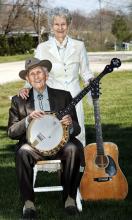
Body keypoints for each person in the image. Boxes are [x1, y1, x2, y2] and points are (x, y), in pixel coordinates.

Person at [8, 57, 85, 219]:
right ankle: (28, 202)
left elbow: (76, 129)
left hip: (60, 145)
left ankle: (69, 198)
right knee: (22, 151)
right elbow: (12, 132)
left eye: (39, 72)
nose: (36, 77)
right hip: (34, 147)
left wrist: (70, 124)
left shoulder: (64, 96)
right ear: (27, 79)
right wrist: (28, 119)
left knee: (73, 148)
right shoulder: (19, 101)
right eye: (32, 74)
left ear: (46, 75)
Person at [19, 7, 94, 147]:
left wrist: (90, 80)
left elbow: (86, 72)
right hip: (54, 98)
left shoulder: (79, 46)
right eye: (56, 24)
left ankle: (80, 167)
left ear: (68, 25)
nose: (60, 28)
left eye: (63, 24)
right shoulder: (42, 48)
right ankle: (59, 166)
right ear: (52, 26)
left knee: (79, 131)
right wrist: (26, 87)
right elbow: (34, 71)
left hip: (75, 95)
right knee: (53, 132)